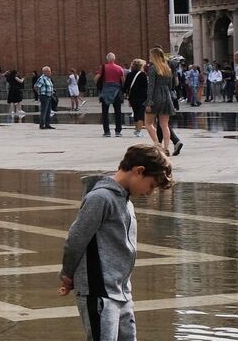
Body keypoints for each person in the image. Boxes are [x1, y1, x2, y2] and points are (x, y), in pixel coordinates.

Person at [58, 144, 173, 341]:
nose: (149, 192)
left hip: (121, 290)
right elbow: (76, 238)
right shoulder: (101, 198)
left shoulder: (126, 201)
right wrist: (67, 274)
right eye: (151, 185)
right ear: (139, 171)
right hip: (99, 291)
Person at [145, 51, 180, 155]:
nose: (149, 57)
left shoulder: (153, 68)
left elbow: (151, 86)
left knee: (148, 123)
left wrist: (149, 101)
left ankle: (157, 144)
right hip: (166, 96)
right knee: (164, 125)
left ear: (154, 56)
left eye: (151, 55)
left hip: (155, 96)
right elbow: (170, 85)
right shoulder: (167, 68)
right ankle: (166, 148)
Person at [98, 60, 125, 138]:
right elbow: (123, 80)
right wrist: (122, 90)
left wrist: (99, 85)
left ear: (107, 59)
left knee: (105, 112)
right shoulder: (119, 68)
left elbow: (97, 78)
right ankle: (118, 131)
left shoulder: (103, 68)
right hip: (116, 91)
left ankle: (107, 131)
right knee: (118, 112)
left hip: (105, 91)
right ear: (114, 59)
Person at [125, 60, 148, 138]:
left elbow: (125, 87)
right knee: (141, 115)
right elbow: (146, 88)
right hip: (142, 97)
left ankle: (136, 129)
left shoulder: (129, 74)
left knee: (135, 113)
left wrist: (128, 96)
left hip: (132, 98)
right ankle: (138, 131)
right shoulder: (143, 75)